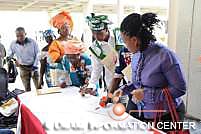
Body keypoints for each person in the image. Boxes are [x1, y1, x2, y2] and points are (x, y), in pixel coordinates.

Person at [114, 13, 186, 131]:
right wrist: (123, 90)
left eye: (125, 41)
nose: (125, 45)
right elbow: (139, 85)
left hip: (167, 116)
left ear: (134, 40)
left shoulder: (165, 55)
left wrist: (147, 94)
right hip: (144, 114)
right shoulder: (136, 55)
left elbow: (180, 89)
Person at [85, 13, 117, 92]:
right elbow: (97, 68)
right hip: (111, 84)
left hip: (127, 81)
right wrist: (91, 85)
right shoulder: (95, 48)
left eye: (99, 33)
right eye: (93, 33)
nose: (96, 36)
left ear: (106, 29)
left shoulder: (118, 38)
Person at [8, 27, 40, 91]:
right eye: (17, 36)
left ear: (25, 34)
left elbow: (38, 54)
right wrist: (13, 60)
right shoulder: (13, 44)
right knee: (27, 89)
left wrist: (35, 65)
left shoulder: (32, 42)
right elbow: (10, 54)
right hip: (23, 68)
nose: (20, 38)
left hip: (33, 66)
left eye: (22, 36)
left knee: (39, 87)